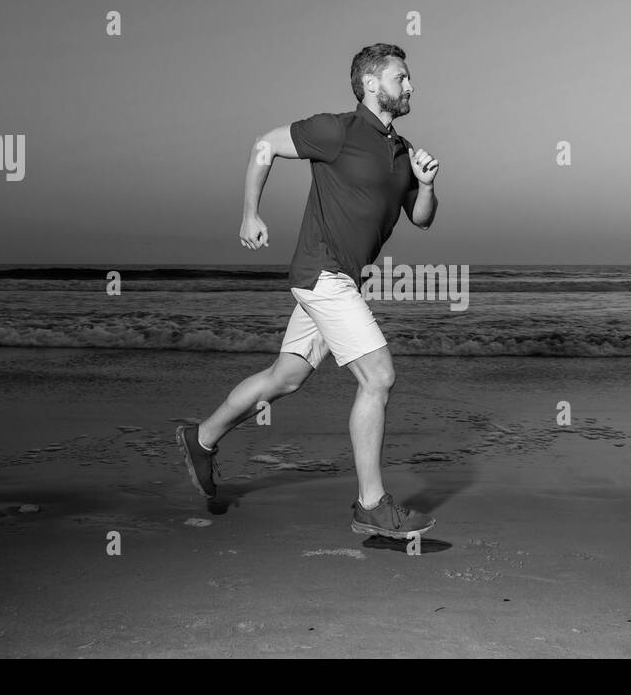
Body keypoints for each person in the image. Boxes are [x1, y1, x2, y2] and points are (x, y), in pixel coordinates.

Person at [176, 43, 440, 539]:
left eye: (409, 78)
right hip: (322, 274)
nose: (410, 85)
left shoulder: (402, 151)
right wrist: (250, 212)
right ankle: (370, 503)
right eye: (400, 77)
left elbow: (422, 220)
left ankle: (202, 437)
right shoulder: (336, 131)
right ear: (370, 84)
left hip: (342, 280)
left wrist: (424, 184)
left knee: (286, 378)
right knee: (378, 377)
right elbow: (265, 145)